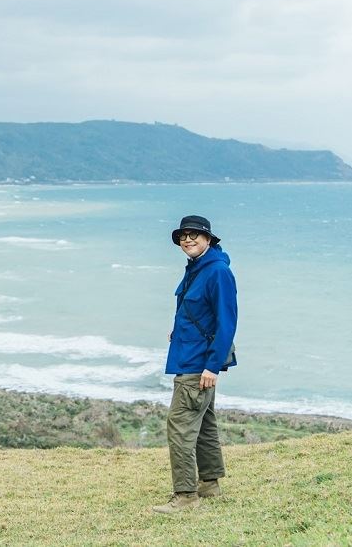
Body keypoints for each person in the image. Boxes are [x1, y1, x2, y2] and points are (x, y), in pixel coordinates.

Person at [152, 215, 237, 514]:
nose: (187, 240)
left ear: (209, 239)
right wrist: (180, 329)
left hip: (198, 362)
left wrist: (212, 366)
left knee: (180, 426)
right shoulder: (197, 268)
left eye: (195, 235)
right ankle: (210, 483)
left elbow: (227, 323)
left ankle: (186, 496)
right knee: (203, 424)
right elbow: (199, 310)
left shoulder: (216, 272)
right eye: (183, 236)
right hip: (190, 353)